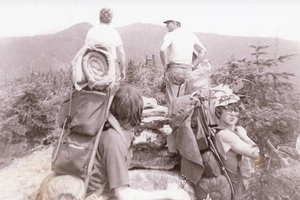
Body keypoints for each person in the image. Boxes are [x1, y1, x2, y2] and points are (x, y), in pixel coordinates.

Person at [85, 85, 191, 200]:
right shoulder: (114, 141)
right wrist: (169, 195)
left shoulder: (106, 128)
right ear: (132, 114)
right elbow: (123, 194)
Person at [212, 91, 260, 199]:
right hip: (240, 192)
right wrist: (244, 136)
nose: (233, 114)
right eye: (228, 110)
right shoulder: (225, 135)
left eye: (236, 110)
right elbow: (258, 155)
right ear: (219, 112)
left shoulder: (228, 133)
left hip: (245, 187)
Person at [160, 18, 207, 111]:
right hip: (188, 70)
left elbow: (162, 49)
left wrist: (164, 65)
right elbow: (203, 51)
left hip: (174, 69)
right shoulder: (191, 35)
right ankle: (184, 121)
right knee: (185, 100)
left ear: (175, 23)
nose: (166, 26)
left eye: (168, 23)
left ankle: (172, 120)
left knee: (172, 100)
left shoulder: (170, 35)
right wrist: (193, 65)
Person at [85, 7, 126, 80]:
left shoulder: (91, 31)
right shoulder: (114, 32)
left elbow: (85, 51)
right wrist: (123, 71)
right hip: (111, 68)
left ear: (99, 17)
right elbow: (122, 54)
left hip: (93, 68)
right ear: (110, 19)